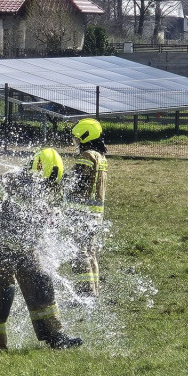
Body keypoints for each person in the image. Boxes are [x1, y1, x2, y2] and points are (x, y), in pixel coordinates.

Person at [0, 148, 83, 353]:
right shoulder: (10, 180)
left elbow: (52, 216)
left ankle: (55, 335)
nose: (44, 187)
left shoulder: (53, 186)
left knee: (42, 285)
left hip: (28, 247)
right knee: (1, 297)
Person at [66, 118, 108, 296]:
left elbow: (78, 183)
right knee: (91, 251)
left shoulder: (87, 156)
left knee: (79, 251)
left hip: (82, 212)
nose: (75, 142)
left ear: (85, 136)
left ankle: (85, 292)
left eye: (77, 138)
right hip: (96, 214)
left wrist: (62, 181)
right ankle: (94, 291)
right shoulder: (101, 157)